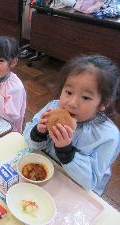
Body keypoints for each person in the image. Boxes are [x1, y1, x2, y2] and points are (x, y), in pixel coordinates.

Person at [23, 55, 120, 195]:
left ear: (103, 103)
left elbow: (90, 181)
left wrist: (66, 152)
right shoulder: (52, 107)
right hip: (42, 175)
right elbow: (27, 141)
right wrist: (38, 133)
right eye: (68, 92)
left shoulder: (108, 136)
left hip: (74, 190)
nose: (72, 103)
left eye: (85, 97)